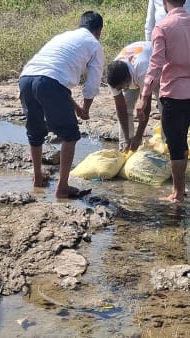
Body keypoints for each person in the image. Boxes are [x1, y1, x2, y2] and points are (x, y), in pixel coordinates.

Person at [133, 0, 190, 203]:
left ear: (164, 1)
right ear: (185, 0)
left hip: (174, 94)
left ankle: (178, 193)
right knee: (181, 137)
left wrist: (144, 95)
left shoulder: (163, 27)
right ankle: (181, 188)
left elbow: (156, 64)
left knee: (176, 141)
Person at [18, 11, 106, 200]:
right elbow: (92, 84)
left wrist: (75, 106)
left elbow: (54, 76)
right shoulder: (94, 45)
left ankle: (37, 178)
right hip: (49, 83)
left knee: (35, 132)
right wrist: (86, 109)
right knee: (70, 135)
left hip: (26, 78)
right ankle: (62, 187)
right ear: (98, 31)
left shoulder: (64, 36)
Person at [104, 40, 154, 150]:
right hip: (133, 73)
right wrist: (126, 138)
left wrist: (139, 136)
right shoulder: (113, 75)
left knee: (164, 105)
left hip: (156, 68)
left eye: (121, 87)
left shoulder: (143, 70)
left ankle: (167, 144)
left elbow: (146, 107)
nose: (119, 90)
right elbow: (121, 109)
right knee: (126, 106)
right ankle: (125, 145)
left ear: (127, 80)